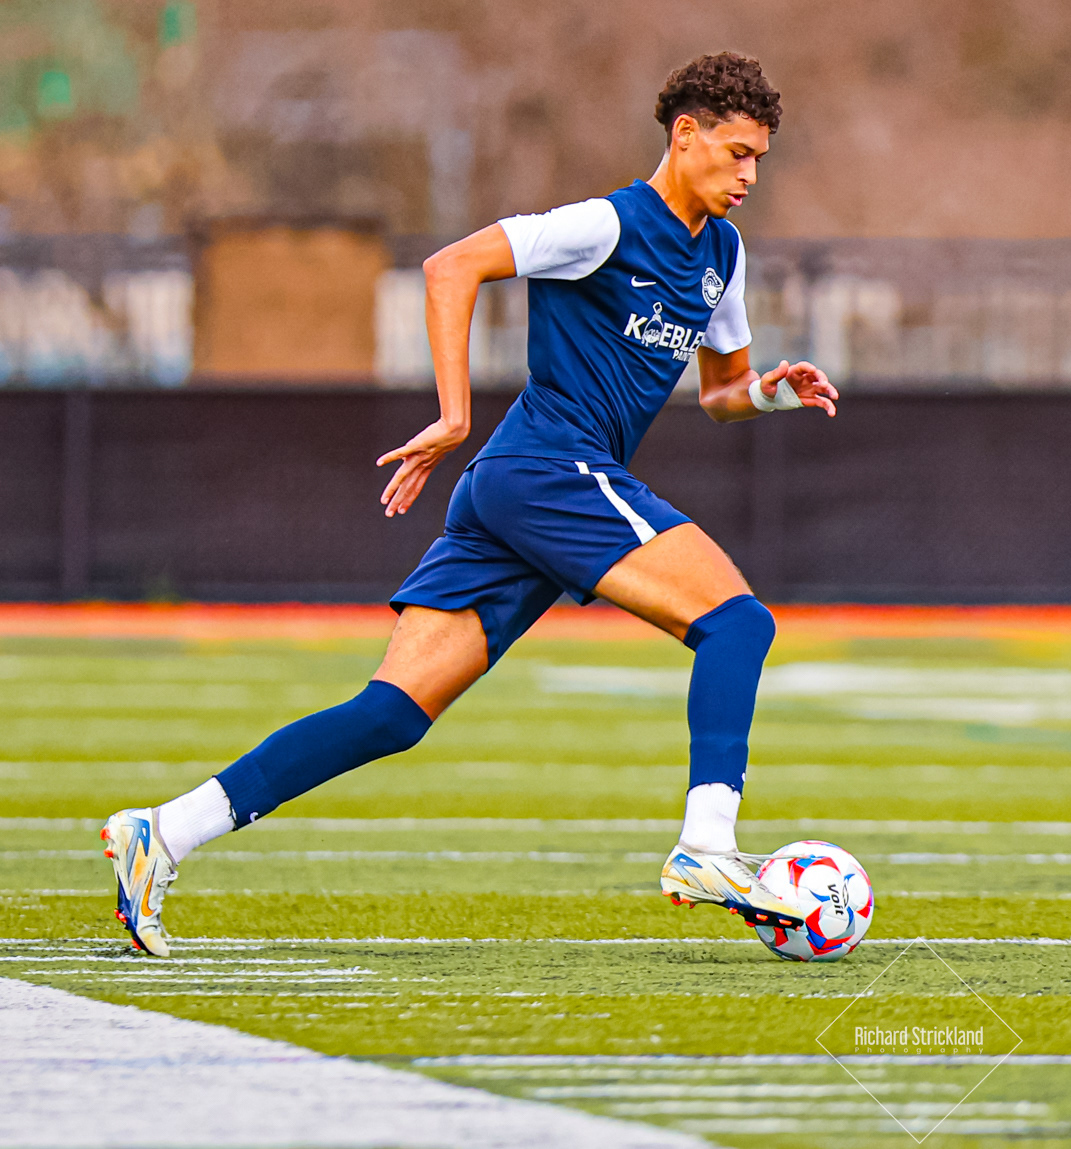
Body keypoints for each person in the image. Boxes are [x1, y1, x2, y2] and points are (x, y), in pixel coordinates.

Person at [103, 52, 837, 957]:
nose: (749, 175)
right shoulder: (604, 225)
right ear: (685, 135)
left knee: (390, 714)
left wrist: (769, 393)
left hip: (527, 488)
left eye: (759, 158)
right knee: (739, 623)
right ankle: (708, 848)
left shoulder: (723, 253)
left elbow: (721, 391)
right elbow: (451, 266)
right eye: (736, 153)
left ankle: (162, 831)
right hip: (547, 469)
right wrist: (453, 413)